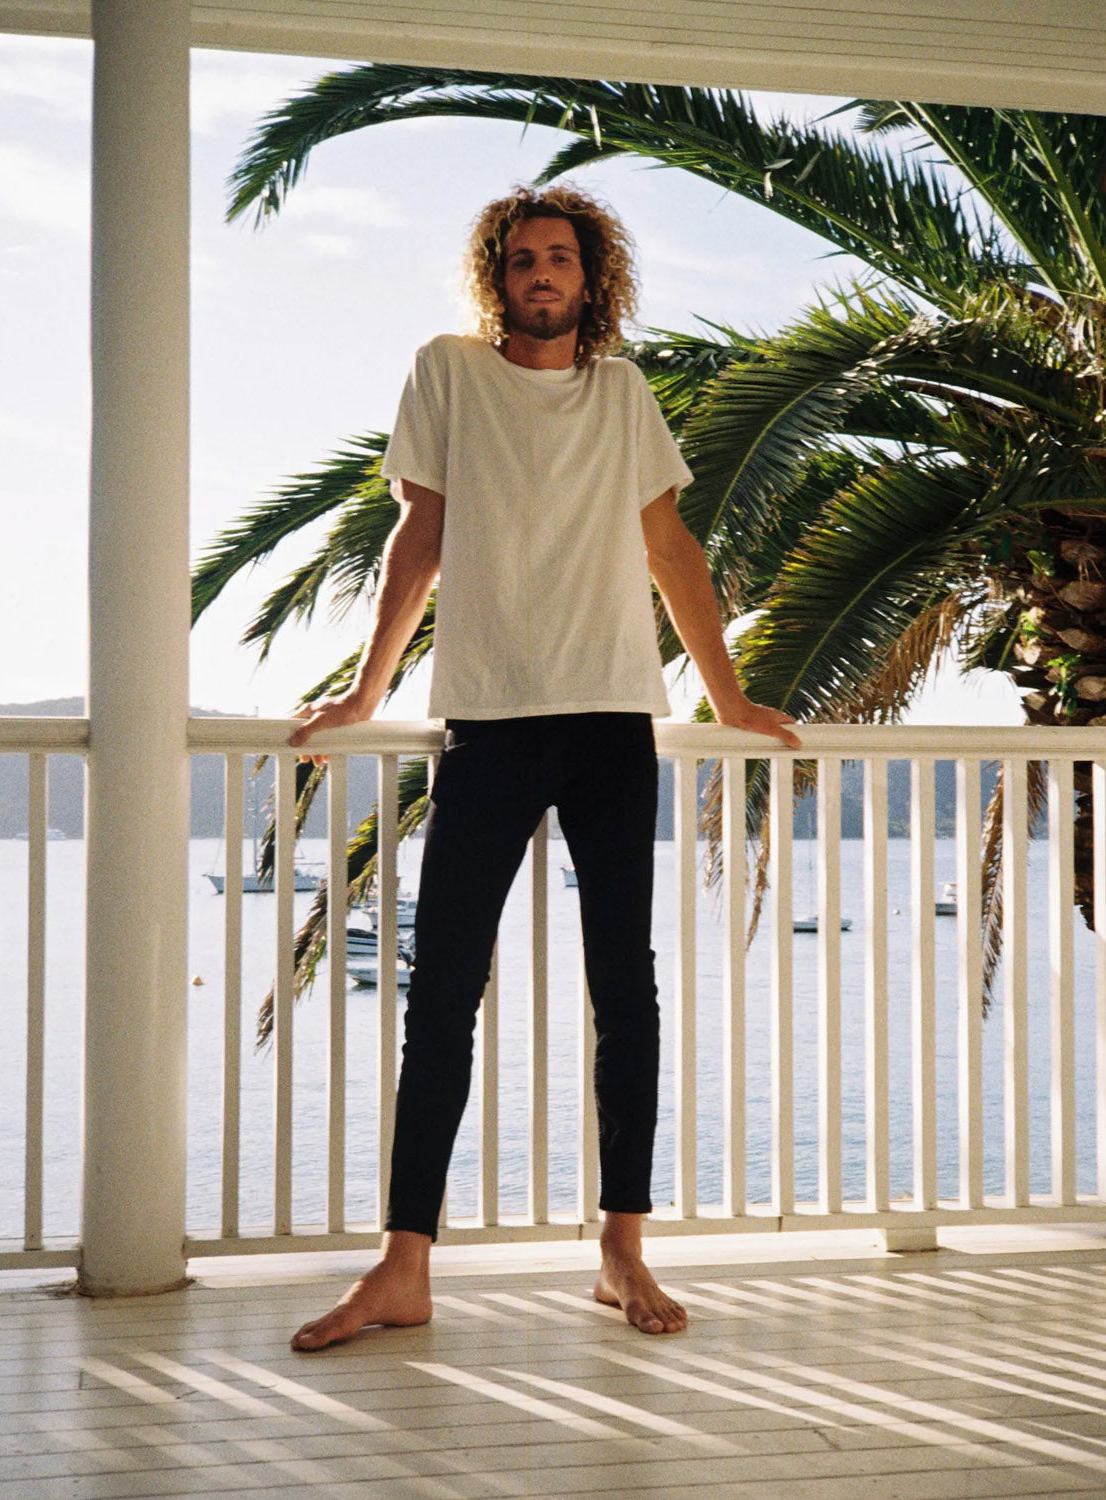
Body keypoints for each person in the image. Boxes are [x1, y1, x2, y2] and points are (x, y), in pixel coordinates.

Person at [287, 185, 800, 1351]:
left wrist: (726, 695)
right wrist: (369, 691)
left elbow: (670, 547)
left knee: (628, 990)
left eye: (560, 257)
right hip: (488, 717)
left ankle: (622, 1249)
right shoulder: (449, 374)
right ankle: (403, 1265)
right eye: (521, 259)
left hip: (614, 716)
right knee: (442, 993)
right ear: (498, 275)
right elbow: (417, 537)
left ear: (591, 276)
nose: (541, 273)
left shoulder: (622, 393)